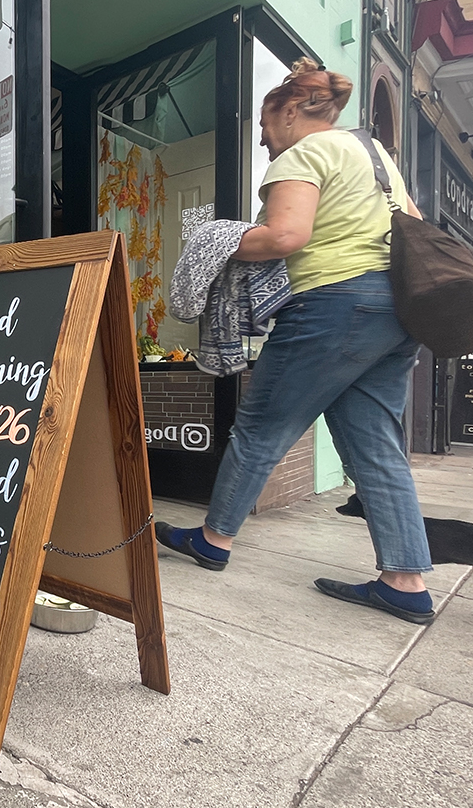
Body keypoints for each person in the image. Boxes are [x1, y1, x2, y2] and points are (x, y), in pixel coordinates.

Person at [156, 59, 437, 626]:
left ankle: (214, 540)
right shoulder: (377, 156)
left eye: (265, 130)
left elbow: (287, 235)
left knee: (260, 426)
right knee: (377, 444)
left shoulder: (302, 155)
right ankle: (405, 581)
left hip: (335, 304)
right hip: (398, 309)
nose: (264, 144)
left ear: (288, 112)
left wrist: (220, 240)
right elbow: (414, 222)